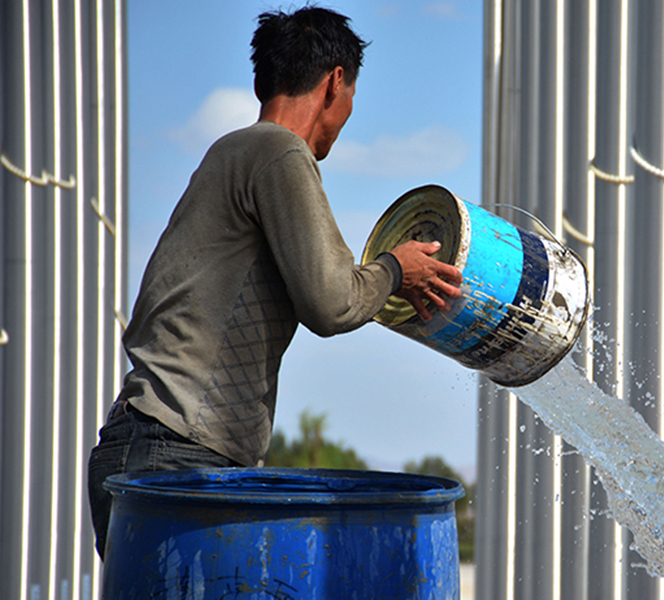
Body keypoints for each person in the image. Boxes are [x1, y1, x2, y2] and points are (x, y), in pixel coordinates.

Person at [87, 6, 462, 559]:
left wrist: (385, 281)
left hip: (153, 445)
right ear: (337, 81)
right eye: (353, 95)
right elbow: (332, 303)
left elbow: (332, 287)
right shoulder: (279, 153)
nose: (348, 113)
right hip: (176, 451)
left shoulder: (237, 151)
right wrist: (398, 269)